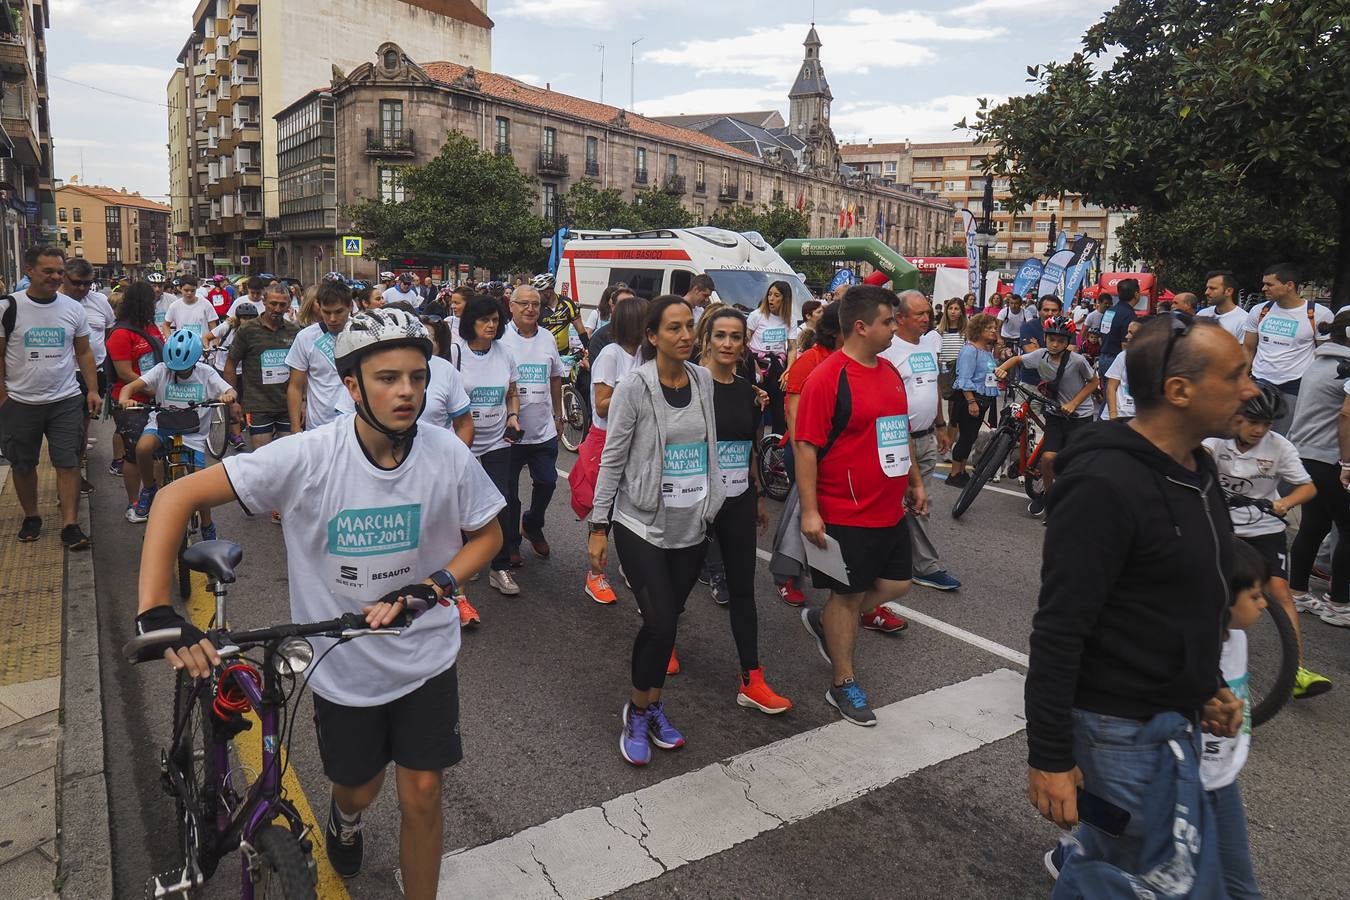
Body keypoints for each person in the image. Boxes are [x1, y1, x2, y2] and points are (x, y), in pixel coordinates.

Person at [132, 308, 504, 900]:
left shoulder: (446, 452)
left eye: (417, 376)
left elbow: (488, 535)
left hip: (425, 656)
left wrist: (434, 585)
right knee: (359, 787)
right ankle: (346, 814)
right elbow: (175, 496)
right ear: (352, 386)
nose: (407, 391)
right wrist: (155, 609)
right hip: (343, 670)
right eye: (387, 378)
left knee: (424, 792)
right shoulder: (308, 456)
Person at [1025, 314, 1255, 890]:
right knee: (1142, 878)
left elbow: (1183, 599)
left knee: (1150, 872)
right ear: (1179, 391)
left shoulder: (1196, 469)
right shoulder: (1105, 483)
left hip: (1172, 719)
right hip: (1117, 733)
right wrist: (1051, 758)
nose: (1251, 391)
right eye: (1236, 376)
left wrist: (1205, 684)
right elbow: (1058, 630)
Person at [587, 296, 725, 764]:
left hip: (691, 523)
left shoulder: (703, 380)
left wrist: (717, 501)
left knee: (667, 626)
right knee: (660, 620)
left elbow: (708, 446)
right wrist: (599, 525)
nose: (686, 335)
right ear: (651, 336)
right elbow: (614, 457)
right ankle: (638, 712)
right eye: (674, 328)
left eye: (690, 326)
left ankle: (654, 703)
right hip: (639, 522)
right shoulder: (633, 387)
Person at [796, 285, 927, 726]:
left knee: (897, 584)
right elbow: (806, 447)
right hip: (844, 512)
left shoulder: (889, 371)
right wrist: (811, 510)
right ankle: (843, 682)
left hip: (888, 508)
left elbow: (898, 432)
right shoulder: (827, 378)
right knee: (848, 598)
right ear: (861, 327)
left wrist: (915, 480)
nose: (896, 327)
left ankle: (829, 619)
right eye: (889, 321)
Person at [692, 307, 793, 712]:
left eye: (736, 337)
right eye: (721, 336)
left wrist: (757, 498)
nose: (729, 344)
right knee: (678, 585)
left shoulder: (750, 391)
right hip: (693, 500)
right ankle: (661, 644)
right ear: (707, 339)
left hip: (736, 501)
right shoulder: (688, 386)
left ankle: (752, 678)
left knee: (742, 590)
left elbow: (751, 445)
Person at [1203, 383, 1330, 698]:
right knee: (1207, 587)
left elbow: (1307, 487)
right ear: (1236, 416)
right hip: (1220, 524)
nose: (1259, 430)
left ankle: (1296, 670)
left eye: (1267, 424)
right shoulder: (1214, 441)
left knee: (1279, 590)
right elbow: (1196, 463)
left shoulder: (1279, 447)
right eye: (1252, 421)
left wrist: (1284, 504)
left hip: (1263, 525)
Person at [0, 246, 101, 548]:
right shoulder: (8, 307)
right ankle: (32, 516)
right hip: (19, 402)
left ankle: (70, 524)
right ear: (30, 271)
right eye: (49, 271)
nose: (56, 277)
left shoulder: (72, 309)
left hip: (65, 399)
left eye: (60, 272)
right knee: (22, 464)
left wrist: (92, 390)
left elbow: (84, 352)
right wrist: (3, 396)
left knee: (68, 462)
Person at [118, 330, 235, 536]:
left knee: (200, 484)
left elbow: (229, 390)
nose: (178, 373)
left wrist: (228, 396)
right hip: (162, 424)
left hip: (193, 432)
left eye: (184, 369)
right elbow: (130, 387)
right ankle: (149, 488)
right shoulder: (161, 369)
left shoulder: (206, 373)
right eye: (174, 369)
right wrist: (125, 399)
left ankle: (207, 525)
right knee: (143, 448)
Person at [570, 293, 647, 605]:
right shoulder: (612, 355)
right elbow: (601, 406)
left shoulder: (644, 354)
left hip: (637, 441)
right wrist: (637, 393)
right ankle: (595, 575)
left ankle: (630, 564)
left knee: (631, 508)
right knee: (605, 510)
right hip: (608, 440)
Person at [881, 290, 959, 595]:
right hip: (898, 441)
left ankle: (917, 564)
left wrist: (940, 425)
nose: (927, 318)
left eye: (928, 312)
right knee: (905, 502)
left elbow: (932, 388)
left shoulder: (929, 342)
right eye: (920, 314)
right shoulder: (888, 350)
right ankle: (922, 565)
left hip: (926, 437)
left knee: (917, 502)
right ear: (900, 318)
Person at [769, 303, 843, 606]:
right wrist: (808, 456)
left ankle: (846, 588)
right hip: (807, 451)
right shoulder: (810, 360)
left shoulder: (852, 360)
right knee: (800, 515)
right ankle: (785, 575)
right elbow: (794, 417)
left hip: (838, 454)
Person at [1286, 310, 1350, 626]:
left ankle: (1297, 593)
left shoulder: (1318, 362)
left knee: (1314, 525)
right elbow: (1346, 417)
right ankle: (1339, 603)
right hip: (1332, 460)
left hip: (1306, 456)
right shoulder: (1345, 369)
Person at [456, 293, 522, 597]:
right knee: (460, 502)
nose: (491, 325)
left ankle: (499, 565)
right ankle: (466, 557)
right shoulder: (455, 353)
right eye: (485, 320)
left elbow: (512, 391)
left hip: (497, 438)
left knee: (501, 501)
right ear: (471, 322)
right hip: (462, 441)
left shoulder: (505, 353)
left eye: (496, 320)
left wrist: (513, 416)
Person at [995, 315, 1099, 502]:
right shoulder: (1040, 355)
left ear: (1068, 342)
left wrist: (1073, 404)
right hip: (1054, 412)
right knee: (1048, 457)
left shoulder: (1077, 361)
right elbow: (1017, 359)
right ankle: (1051, 496)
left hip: (1079, 414)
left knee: (1072, 460)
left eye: (1061, 341)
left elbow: (1094, 382)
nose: (1055, 344)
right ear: (1045, 338)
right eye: (1051, 339)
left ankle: (1072, 494)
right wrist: (1002, 368)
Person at [499, 285, 566, 569]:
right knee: (509, 493)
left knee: (548, 481)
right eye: (524, 303)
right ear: (511, 306)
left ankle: (532, 523)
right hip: (509, 432)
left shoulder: (548, 337)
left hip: (543, 430)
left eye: (536, 304)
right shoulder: (500, 338)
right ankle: (511, 542)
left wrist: (559, 415)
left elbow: (554, 377)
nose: (530, 309)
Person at [1243, 262, 1333, 434]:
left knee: (1286, 435)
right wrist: (1242, 378)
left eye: (1269, 284)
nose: (1264, 288)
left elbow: (1324, 356)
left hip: (1295, 385)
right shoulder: (1259, 310)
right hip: (1260, 381)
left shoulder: (1318, 313)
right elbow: (1248, 349)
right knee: (1253, 431)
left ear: (1289, 285)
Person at [105, 283, 164, 519]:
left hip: (156, 397)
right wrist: (150, 388)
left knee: (158, 452)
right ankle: (134, 502)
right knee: (134, 454)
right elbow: (124, 372)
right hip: (132, 401)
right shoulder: (120, 333)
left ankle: (158, 500)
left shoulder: (150, 327)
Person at [226, 285, 299, 463]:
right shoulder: (248, 330)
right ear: (264, 302)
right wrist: (233, 400)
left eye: (282, 305)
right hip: (258, 406)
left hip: (287, 404)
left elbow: (301, 369)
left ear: (289, 305)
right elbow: (230, 363)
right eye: (273, 303)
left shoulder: (294, 331)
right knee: (263, 461)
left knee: (289, 459)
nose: (277, 309)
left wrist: (303, 400)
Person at [62, 258, 116, 493]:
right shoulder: (56, 302)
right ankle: (69, 471)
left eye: (87, 283)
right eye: (77, 283)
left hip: (94, 373)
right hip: (65, 374)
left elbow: (109, 329)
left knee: (84, 424)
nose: (82, 288)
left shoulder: (100, 301)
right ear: (64, 277)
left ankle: (78, 467)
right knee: (69, 428)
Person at [286, 280, 352, 431]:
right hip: (318, 428)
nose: (332, 319)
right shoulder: (305, 337)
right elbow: (295, 386)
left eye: (339, 312)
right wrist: (295, 428)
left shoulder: (363, 333)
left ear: (350, 306)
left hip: (355, 426)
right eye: (327, 312)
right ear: (319, 307)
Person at [945, 313, 1000, 487]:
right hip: (970, 400)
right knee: (966, 437)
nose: (993, 331)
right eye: (989, 328)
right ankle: (954, 473)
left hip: (982, 400)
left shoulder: (986, 350)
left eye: (994, 328)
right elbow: (964, 379)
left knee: (971, 436)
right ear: (978, 329)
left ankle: (961, 471)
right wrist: (971, 402)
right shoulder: (970, 350)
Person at [746, 280, 794, 434]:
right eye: (769, 294)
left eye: (776, 295)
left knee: (779, 411)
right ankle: (754, 447)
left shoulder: (790, 319)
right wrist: (753, 366)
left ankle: (776, 448)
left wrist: (789, 370)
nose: (771, 298)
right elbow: (744, 343)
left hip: (777, 367)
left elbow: (792, 348)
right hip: (756, 365)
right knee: (755, 408)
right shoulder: (756, 315)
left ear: (785, 299)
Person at [1017, 295, 1063, 388]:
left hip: (1058, 384)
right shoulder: (1028, 327)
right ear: (1039, 311)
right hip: (1031, 382)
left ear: (1060, 312)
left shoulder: (1066, 328)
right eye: (1046, 310)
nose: (1050, 313)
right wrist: (1057, 353)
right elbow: (1031, 354)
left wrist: (1040, 350)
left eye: (1054, 310)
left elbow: (1070, 354)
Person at [1097, 278, 1139, 377]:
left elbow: (1100, 337)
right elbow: (1125, 344)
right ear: (1136, 293)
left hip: (1103, 358)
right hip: (1117, 360)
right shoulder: (1129, 314)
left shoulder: (1109, 311)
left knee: (1106, 391)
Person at [165, 276, 218, 346]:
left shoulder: (206, 304)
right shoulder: (174, 306)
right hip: (182, 348)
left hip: (203, 349)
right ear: (180, 289)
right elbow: (166, 325)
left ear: (197, 288)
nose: (189, 293)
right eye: (186, 290)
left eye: (193, 290)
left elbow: (213, 327)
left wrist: (215, 345)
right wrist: (171, 341)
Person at [1104, 320, 1140, 421]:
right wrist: (1113, 415)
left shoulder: (1157, 359)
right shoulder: (1123, 356)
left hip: (1141, 419)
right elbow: (1111, 386)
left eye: (1132, 333)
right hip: (1120, 416)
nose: (1127, 336)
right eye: (1128, 332)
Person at [1198, 270, 1248, 341]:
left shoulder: (1243, 320)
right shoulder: (1202, 314)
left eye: (1212, 288)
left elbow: (1243, 351)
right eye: (1207, 288)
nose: (1207, 292)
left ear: (1229, 291)